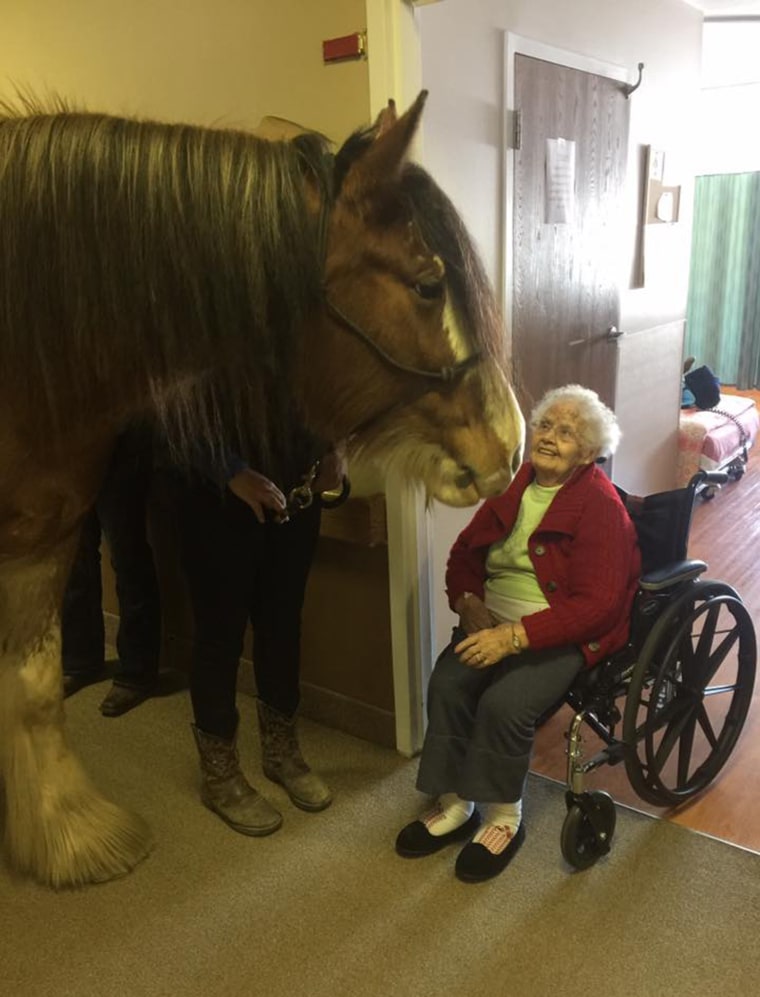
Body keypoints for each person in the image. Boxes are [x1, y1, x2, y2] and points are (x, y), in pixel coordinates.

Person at [395, 384, 640, 882]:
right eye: (546, 425)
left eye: (567, 433)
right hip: (491, 620)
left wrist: (515, 638)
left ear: (588, 452)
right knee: (448, 685)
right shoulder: (515, 485)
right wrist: (467, 603)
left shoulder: (600, 507)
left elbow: (597, 605)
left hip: (559, 632)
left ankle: (505, 817)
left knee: (505, 704)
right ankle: (456, 803)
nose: (549, 438)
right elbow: (463, 556)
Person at [165, 436, 347, 837]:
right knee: (219, 635)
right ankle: (220, 777)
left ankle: (281, 752)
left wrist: (335, 449)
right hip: (216, 495)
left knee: (282, 623)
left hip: (295, 483)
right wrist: (229, 470)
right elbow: (171, 409)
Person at [62, 424, 162, 717]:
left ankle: (137, 672)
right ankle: (80, 660)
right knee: (76, 557)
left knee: (127, 557)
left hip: (122, 440)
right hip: (71, 447)